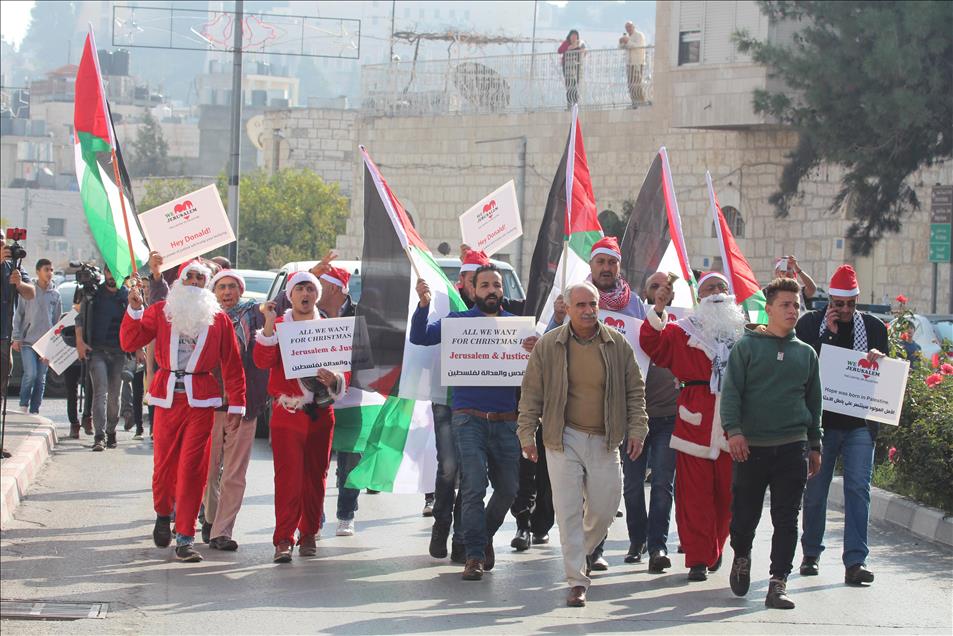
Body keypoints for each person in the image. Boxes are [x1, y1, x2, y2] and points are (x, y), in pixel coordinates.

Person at [518, 281, 647, 607]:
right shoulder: (549, 345)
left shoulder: (617, 344)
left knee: (604, 510)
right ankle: (577, 579)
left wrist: (637, 429)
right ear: (567, 308)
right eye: (581, 306)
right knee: (569, 511)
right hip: (563, 438)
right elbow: (531, 394)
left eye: (593, 305)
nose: (589, 311)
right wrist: (526, 435)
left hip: (606, 439)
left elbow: (635, 390)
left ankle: (583, 549)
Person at [121, 259, 246, 563]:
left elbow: (231, 364)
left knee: (193, 468)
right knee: (164, 466)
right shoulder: (161, 312)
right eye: (188, 276)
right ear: (179, 281)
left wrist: (237, 404)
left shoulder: (219, 320)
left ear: (207, 284)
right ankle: (164, 514)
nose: (193, 281)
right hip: (166, 399)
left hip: (201, 401)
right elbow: (130, 340)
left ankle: (185, 536)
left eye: (199, 278)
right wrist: (135, 308)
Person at [410, 264, 521, 581]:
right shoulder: (458, 323)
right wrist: (423, 305)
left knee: (509, 490)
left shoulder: (517, 326)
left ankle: (481, 536)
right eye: (484, 284)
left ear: (503, 290)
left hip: (506, 421)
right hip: (468, 418)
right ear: (473, 290)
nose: (491, 290)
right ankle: (473, 555)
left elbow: (538, 362)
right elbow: (420, 336)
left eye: (496, 285)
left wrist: (534, 346)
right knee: (473, 487)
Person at [721, 277, 823, 609]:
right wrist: (734, 431)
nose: (792, 310)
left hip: (792, 446)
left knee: (786, 518)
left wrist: (815, 444)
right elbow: (732, 392)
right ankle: (741, 555)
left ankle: (778, 582)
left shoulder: (806, 354)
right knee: (744, 515)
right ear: (768, 310)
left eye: (796, 304)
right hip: (751, 447)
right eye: (785, 304)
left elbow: (814, 401)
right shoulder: (746, 348)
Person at [639, 271, 746, 581]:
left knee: (728, 497)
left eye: (721, 287)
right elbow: (652, 345)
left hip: (731, 424)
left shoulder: (744, 334)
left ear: (729, 294)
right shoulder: (682, 331)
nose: (716, 292)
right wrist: (659, 307)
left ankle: (714, 546)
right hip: (694, 420)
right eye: (709, 288)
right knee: (693, 496)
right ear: (700, 297)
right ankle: (698, 558)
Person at [796, 264, 888, 586]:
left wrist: (879, 359)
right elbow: (807, 368)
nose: (845, 310)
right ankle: (811, 554)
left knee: (858, 490)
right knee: (817, 490)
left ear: (857, 300)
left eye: (850, 304)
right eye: (838, 304)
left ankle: (855, 562)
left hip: (859, 424)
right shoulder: (810, 325)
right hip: (821, 425)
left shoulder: (874, 328)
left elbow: (883, 378)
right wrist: (830, 338)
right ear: (829, 301)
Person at [254, 271, 347, 563]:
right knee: (288, 478)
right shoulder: (279, 325)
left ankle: (308, 533)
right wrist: (268, 325)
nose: (305, 294)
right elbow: (262, 361)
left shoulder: (330, 328)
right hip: (287, 413)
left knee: (316, 478)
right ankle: (284, 538)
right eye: (300, 289)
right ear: (290, 295)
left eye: (310, 289)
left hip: (321, 413)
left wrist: (335, 378)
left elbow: (345, 372)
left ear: (316, 295)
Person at [200, 268, 270, 551]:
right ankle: (209, 516)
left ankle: (222, 531)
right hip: (210, 404)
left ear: (240, 291)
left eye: (232, 287)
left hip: (244, 406)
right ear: (213, 292)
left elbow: (280, 305)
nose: (227, 292)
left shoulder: (253, 316)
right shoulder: (202, 318)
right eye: (221, 287)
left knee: (234, 473)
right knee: (207, 469)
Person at [622, 272, 679, 571]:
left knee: (661, 484)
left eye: (665, 288)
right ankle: (637, 540)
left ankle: (658, 545)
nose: (659, 291)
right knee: (632, 484)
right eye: (653, 287)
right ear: (644, 293)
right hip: (634, 419)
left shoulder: (681, 326)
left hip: (668, 419)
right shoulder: (633, 327)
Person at [316, 266, 363, 537]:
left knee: (350, 459)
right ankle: (315, 514)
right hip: (319, 398)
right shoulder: (310, 315)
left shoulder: (361, 315)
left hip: (355, 396)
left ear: (333, 288)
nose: (313, 290)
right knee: (317, 459)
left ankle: (346, 513)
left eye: (319, 284)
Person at [75, 264, 129, 451]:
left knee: (115, 395)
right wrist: (80, 343)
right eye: (109, 271)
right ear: (104, 273)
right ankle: (99, 436)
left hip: (119, 352)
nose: (112, 275)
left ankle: (111, 431)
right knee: (101, 392)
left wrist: (138, 348)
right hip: (97, 350)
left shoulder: (127, 296)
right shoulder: (94, 295)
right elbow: (79, 318)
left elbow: (139, 321)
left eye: (116, 271)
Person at [12, 258, 60, 414]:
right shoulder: (29, 290)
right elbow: (19, 315)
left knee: (41, 378)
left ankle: (35, 410)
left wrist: (52, 347)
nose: (49, 273)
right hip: (28, 342)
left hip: (45, 345)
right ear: (38, 271)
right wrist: (16, 337)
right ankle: (23, 405)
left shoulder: (55, 295)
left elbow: (57, 322)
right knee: (30, 374)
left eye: (51, 270)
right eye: (46, 269)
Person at [1, 244, 35, 410]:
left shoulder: (14, 268)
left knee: (5, 369)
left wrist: (19, 284)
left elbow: (31, 293)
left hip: (4, 333)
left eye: (2, 239)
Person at [619, 21, 647, 107]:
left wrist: (628, 41)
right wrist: (621, 42)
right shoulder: (628, 37)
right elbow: (621, 47)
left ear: (633, 27)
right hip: (629, 64)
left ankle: (641, 102)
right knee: (630, 84)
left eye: (629, 27)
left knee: (637, 83)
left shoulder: (639, 35)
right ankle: (634, 102)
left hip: (637, 63)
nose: (628, 29)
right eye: (627, 27)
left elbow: (637, 46)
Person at [558, 30, 586, 109]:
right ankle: (570, 104)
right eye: (572, 36)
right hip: (567, 67)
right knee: (569, 85)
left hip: (576, 67)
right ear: (569, 36)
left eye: (575, 36)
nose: (574, 38)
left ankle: (575, 103)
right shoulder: (566, 43)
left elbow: (584, 51)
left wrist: (579, 49)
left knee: (575, 85)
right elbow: (559, 51)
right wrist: (568, 48)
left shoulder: (580, 43)